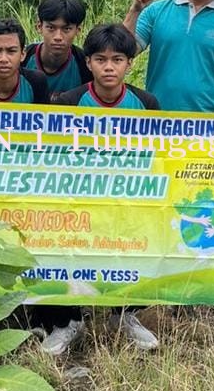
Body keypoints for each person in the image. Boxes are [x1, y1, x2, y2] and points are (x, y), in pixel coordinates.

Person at [41, 23, 161, 355]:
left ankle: (124, 316)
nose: (109, 67)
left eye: (117, 59)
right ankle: (67, 322)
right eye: (101, 59)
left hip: (128, 200)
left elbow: (159, 158)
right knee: (65, 248)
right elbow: (51, 157)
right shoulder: (68, 102)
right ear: (89, 62)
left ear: (129, 64)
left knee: (138, 245)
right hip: (77, 201)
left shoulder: (146, 103)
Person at [23, 0, 92, 101]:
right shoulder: (22, 59)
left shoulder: (85, 65)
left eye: (67, 29)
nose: (58, 37)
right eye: (51, 28)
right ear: (39, 27)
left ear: (78, 30)